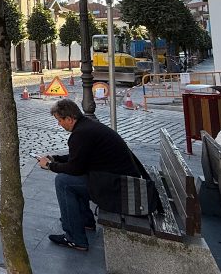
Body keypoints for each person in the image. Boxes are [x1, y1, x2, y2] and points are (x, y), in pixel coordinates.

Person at [37, 99, 142, 251]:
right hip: (121, 180)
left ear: (69, 119)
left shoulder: (81, 134)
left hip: (122, 188)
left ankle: (75, 238)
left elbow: (75, 168)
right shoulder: (87, 127)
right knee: (72, 181)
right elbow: (79, 157)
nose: (59, 124)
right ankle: (84, 220)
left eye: (59, 120)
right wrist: (55, 158)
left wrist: (49, 166)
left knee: (63, 182)